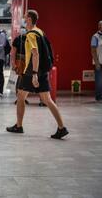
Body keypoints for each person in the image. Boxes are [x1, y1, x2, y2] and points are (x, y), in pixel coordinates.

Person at [6, 10, 69, 139]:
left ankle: (19, 126)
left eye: (25, 17)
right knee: (47, 99)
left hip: (31, 71)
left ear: (29, 19)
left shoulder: (31, 35)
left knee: (21, 95)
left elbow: (35, 53)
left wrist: (34, 74)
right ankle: (62, 128)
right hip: (42, 70)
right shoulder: (40, 31)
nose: (23, 20)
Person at [11, 27, 29, 105]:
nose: (23, 30)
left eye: (24, 29)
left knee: (26, 79)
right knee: (19, 79)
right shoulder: (17, 39)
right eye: (22, 29)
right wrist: (13, 63)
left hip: (27, 61)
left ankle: (23, 98)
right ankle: (18, 97)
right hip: (19, 60)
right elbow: (13, 52)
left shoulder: (29, 38)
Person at [91, 20, 102, 102]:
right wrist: (97, 63)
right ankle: (99, 97)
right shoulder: (95, 37)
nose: (101, 27)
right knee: (99, 81)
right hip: (99, 62)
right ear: (98, 27)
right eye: (100, 25)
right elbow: (93, 50)